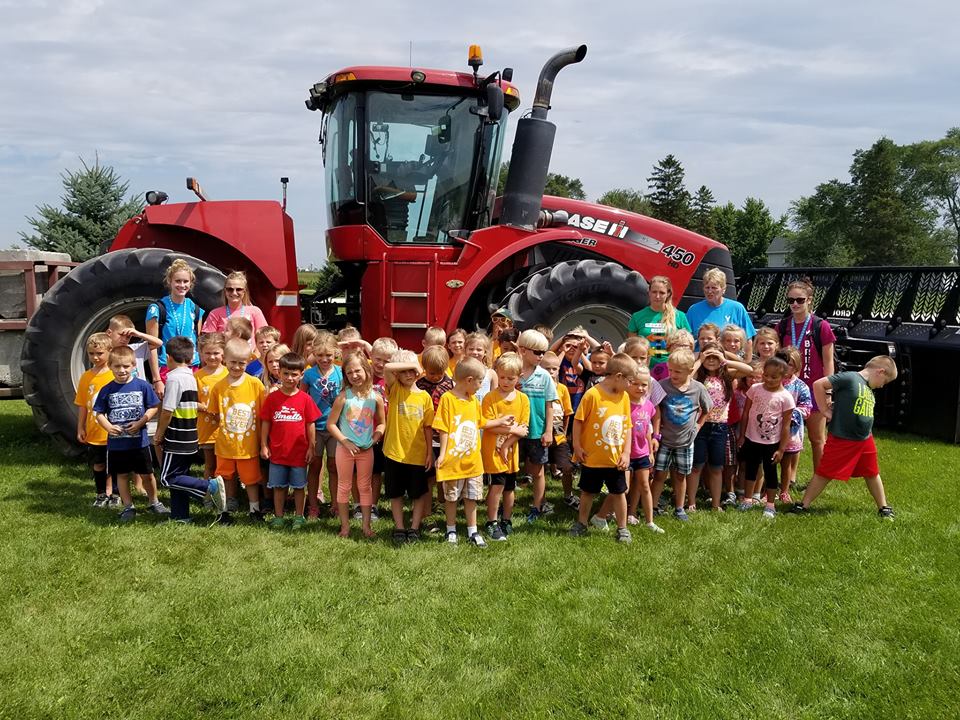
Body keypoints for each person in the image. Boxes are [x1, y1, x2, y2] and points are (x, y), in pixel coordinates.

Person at [791, 356, 898, 519]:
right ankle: (803, 505)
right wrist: (825, 410)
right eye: (885, 381)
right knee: (825, 472)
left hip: (864, 439)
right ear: (880, 371)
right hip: (842, 437)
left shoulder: (868, 388)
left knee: (872, 472)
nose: (883, 386)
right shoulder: (850, 378)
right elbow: (819, 384)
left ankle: (883, 507)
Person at [434, 357, 514, 546]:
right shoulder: (448, 399)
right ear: (469, 380)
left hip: (472, 462)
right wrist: (443, 455)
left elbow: (481, 422)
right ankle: (451, 530)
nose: (480, 386)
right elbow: (443, 428)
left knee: (472, 497)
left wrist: (500, 421)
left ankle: (473, 531)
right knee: (451, 497)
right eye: (480, 382)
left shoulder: (472, 401)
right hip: (453, 462)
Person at [154, 336, 227, 523]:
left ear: (169, 358)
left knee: (168, 478)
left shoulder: (173, 379)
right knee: (180, 476)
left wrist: (159, 433)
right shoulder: (190, 376)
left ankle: (209, 486)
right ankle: (181, 516)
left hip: (177, 435)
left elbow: (167, 411)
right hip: (190, 435)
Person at [93, 346, 168, 522]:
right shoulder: (107, 389)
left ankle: (154, 502)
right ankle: (128, 506)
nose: (122, 370)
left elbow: (153, 407)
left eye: (126, 366)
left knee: (147, 475)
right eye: (117, 366)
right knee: (122, 475)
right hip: (117, 444)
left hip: (139, 443)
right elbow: (99, 413)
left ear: (134, 365)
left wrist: (141, 422)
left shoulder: (142, 386)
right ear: (110, 366)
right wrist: (108, 427)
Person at [568, 353, 638, 543]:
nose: (631, 385)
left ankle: (622, 529)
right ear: (619, 377)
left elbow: (627, 426)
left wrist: (626, 452)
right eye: (630, 381)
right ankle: (581, 523)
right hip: (592, 457)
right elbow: (578, 421)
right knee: (588, 492)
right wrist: (577, 445)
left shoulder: (623, 397)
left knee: (619, 492)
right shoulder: (593, 394)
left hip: (615, 460)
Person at [777, 278, 836, 474]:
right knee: (791, 433)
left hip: (815, 389)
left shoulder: (821, 326)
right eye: (790, 300)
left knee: (817, 438)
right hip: (788, 388)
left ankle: (819, 478)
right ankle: (790, 477)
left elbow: (829, 361)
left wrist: (828, 391)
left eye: (800, 300)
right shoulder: (783, 326)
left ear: (810, 300)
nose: (795, 304)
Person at [686, 343, 753, 512]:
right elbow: (687, 378)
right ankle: (691, 503)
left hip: (720, 427)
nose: (711, 360)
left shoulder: (727, 376)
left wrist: (724, 359)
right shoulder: (697, 376)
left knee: (717, 467)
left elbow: (748, 370)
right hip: (700, 425)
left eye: (714, 358)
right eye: (708, 357)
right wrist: (699, 360)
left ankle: (716, 504)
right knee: (696, 466)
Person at [207, 338, 267, 523]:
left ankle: (254, 510)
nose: (237, 367)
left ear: (248, 361)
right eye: (233, 362)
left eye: (242, 363)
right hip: (225, 444)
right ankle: (223, 512)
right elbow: (215, 412)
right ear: (225, 360)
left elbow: (263, 413)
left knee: (251, 479)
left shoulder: (255, 384)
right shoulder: (219, 386)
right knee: (223, 479)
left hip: (248, 445)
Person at [327, 350, 385, 538]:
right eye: (349, 373)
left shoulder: (375, 397)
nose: (354, 376)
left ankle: (366, 526)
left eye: (357, 371)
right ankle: (345, 526)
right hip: (345, 450)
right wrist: (345, 442)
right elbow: (331, 424)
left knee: (364, 487)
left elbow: (382, 423)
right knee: (343, 487)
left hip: (366, 450)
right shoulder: (343, 397)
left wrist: (374, 439)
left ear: (367, 370)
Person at [650, 348, 711, 522]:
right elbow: (656, 407)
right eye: (671, 370)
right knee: (660, 475)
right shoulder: (662, 385)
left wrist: (698, 426)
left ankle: (679, 508)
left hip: (685, 441)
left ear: (690, 371)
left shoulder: (698, 388)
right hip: (665, 440)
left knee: (680, 475)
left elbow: (707, 408)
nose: (673, 374)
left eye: (678, 371)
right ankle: (653, 506)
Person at [260, 352, 319, 530]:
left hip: (299, 453)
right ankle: (279, 516)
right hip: (277, 452)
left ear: (302, 375)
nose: (290, 378)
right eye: (286, 373)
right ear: (279, 373)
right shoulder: (272, 399)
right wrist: (263, 444)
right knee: (278, 486)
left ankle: (299, 516)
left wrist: (311, 447)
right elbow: (265, 422)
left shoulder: (305, 399)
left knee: (299, 487)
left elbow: (310, 424)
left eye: (294, 374)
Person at [382, 350, 435, 543]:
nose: (409, 374)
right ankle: (399, 527)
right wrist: (413, 365)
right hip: (395, 452)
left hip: (418, 454)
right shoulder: (395, 389)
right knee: (395, 493)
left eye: (412, 371)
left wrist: (430, 452)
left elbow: (428, 428)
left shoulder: (424, 397)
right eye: (404, 371)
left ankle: (414, 527)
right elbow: (387, 367)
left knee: (418, 493)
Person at [737, 356, 796, 520]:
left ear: (783, 377)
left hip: (772, 442)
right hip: (751, 438)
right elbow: (746, 413)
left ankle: (770, 504)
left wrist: (781, 449)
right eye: (766, 375)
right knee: (751, 469)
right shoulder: (755, 389)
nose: (769, 379)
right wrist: (742, 436)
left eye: (774, 377)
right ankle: (747, 499)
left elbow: (786, 425)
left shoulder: (786, 397)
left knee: (770, 473)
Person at [481, 352, 530, 540]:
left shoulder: (523, 400)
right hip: (493, 451)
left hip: (510, 451)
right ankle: (492, 522)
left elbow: (523, 429)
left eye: (511, 378)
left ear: (519, 377)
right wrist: (510, 429)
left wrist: (507, 444)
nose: (506, 382)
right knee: (497, 487)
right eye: (502, 377)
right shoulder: (490, 398)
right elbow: (488, 426)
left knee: (510, 487)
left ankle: (506, 519)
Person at [146, 258, 204, 397]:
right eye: (178, 281)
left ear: (191, 283)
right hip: (167, 366)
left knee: (189, 411)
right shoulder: (157, 309)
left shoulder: (195, 309)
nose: (182, 285)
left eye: (186, 281)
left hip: (191, 367)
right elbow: (152, 346)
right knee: (168, 412)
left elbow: (198, 342)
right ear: (170, 282)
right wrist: (157, 380)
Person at [517, 329, 556, 522]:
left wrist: (548, 431)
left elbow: (550, 406)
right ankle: (505, 505)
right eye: (537, 352)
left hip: (537, 431)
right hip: (514, 431)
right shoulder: (512, 374)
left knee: (539, 471)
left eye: (544, 352)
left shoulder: (545, 376)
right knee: (509, 470)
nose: (542, 356)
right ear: (523, 350)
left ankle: (538, 506)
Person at [303, 331, 342, 519]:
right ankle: (313, 505)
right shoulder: (309, 374)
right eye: (320, 355)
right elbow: (302, 399)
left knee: (334, 466)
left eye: (328, 355)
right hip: (315, 428)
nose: (324, 359)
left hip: (335, 428)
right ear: (314, 354)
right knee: (315, 466)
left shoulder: (341, 373)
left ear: (336, 353)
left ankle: (335, 504)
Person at [75, 332, 115, 507]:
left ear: (109, 352)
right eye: (92, 354)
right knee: (98, 464)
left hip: (114, 431)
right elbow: (83, 404)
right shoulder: (86, 377)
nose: (96, 357)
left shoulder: (115, 375)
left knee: (115, 465)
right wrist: (80, 427)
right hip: (94, 431)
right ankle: (100, 494)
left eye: (100, 353)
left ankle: (114, 493)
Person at [416, 345, 455, 521]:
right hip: (426, 437)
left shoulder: (450, 385)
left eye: (439, 373)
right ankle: (427, 510)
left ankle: (441, 502)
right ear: (424, 369)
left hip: (445, 436)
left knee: (444, 474)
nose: (436, 377)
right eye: (432, 373)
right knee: (428, 476)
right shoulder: (419, 385)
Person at [628, 275, 692, 374]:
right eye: (654, 292)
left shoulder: (679, 316)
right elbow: (631, 347)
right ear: (649, 292)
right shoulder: (637, 316)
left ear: (668, 294)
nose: (657, 296)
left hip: (671, 370)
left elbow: (688, 347)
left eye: (662, 293)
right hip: (644, 370)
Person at [685, 268, 756, 358]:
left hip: (730, 362)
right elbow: (686, 340)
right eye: (707, 287)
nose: (710, 291)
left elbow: (748, 340)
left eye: (714, 288)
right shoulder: (694, 310)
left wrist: (747, 362)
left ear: (723, 289)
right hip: (702, 362)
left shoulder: (737, 308)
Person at [539, 351, 576, 509]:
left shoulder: (562, 389)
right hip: (542, 432)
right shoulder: (538, 388)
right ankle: (541, 499)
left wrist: (564, 433)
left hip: (559, 433)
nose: (551, 372)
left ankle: (568, 495)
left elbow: (567, 413)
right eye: (547, 369)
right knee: (541, 469)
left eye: (554, 369)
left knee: (567, 467)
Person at [367, 336, 399, 520]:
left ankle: (377, 504)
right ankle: (365, 505)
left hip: (388, 432)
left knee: (382, 470)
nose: (381, 364)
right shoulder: (364, 374)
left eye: (387, 361)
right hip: (366, 431)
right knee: (368, 471)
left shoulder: (394, 379)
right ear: (371, 355)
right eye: (378, 359)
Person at [778, 347, 812, 502]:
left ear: (797, 366)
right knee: (769, 462)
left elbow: (807, 407)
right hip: (770, 430)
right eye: (783, 364)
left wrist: (793, 414)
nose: (786, 368)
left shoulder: (800, 386)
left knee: (786, 464)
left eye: (790, 365)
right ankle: (767, 490)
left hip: (790, 432)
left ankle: (784, 491)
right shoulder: (772, 381)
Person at [201, 270, 267, 347]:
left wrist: (255, 356)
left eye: (239, 289)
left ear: (244, 291)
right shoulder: (215, 313)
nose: (234, 293)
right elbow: (207, 342)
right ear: (225, 291)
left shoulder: (255, 311)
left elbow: (264, 337)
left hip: (250, 357)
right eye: (230, 289)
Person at [195, 333, 228, 484]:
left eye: (216, 353)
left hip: (227, 428)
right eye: (207, 353)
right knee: (210, 464)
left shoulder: (229, 374)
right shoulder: (197, 376)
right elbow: (191, 402)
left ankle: (227, 494)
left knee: (226, 465)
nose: (212, 357)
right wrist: (206, 407)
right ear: (201, 353)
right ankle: (208, 492)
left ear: (224, 353)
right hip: (207, 428)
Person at [105, 315, 161, 383]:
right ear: (109, 333)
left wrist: (138, 334)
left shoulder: (135, 349)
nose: (124, 339)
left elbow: (158, 343)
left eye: (128, 337)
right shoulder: (104, 353)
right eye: (121, 335)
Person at [464, 331, 498, 404]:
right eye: (471, 349)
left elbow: (495, 398)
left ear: (485, 352)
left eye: (479, 350)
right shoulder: (461, 371)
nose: (475, 352)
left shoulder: (491, 373)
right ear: (465, 350)